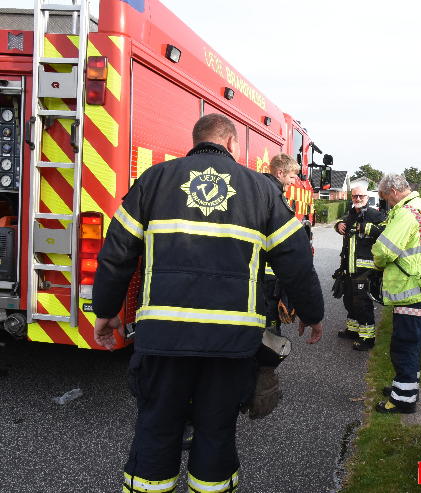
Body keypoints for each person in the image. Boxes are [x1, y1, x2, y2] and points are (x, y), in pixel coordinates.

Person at [92, 114, 324, 491]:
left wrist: (105, 311)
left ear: (195, 139)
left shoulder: (154, 179)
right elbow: (295, 259)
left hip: (163, 337)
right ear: (231, 144)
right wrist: (312, 314)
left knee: (157, 424)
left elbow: (117, 252)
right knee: (216, 430)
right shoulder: (261, 190)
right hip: (231, 341)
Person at [371, 174, 421, 413]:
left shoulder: (406, 214)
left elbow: (383, 250)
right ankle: (405, 389)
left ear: (393, 192)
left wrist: (377, 263)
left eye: (385, 198)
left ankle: (402, 401)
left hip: (410, 289)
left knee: (404, 345)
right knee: (412, 343)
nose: (387, 204)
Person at [334, 183, 386, 350]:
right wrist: (338, 225)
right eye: (355, 196)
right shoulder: (350, 215)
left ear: (367, 198)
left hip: (366, 270)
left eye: (361, 196)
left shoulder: (375, 215)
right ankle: (353, 330)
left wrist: (368, 228)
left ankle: (367, 339)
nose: (357, 199)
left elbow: (386, 232)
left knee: (362, 304)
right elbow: (343, 224)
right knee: (349, 300)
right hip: (349, 269)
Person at [262, 153, 300, 336]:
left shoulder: (260, 190)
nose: (294, 181)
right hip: (269, 278)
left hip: (257, 274)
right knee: (269, 329)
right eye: (292, 176)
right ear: (280, 172)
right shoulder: (276, 198)